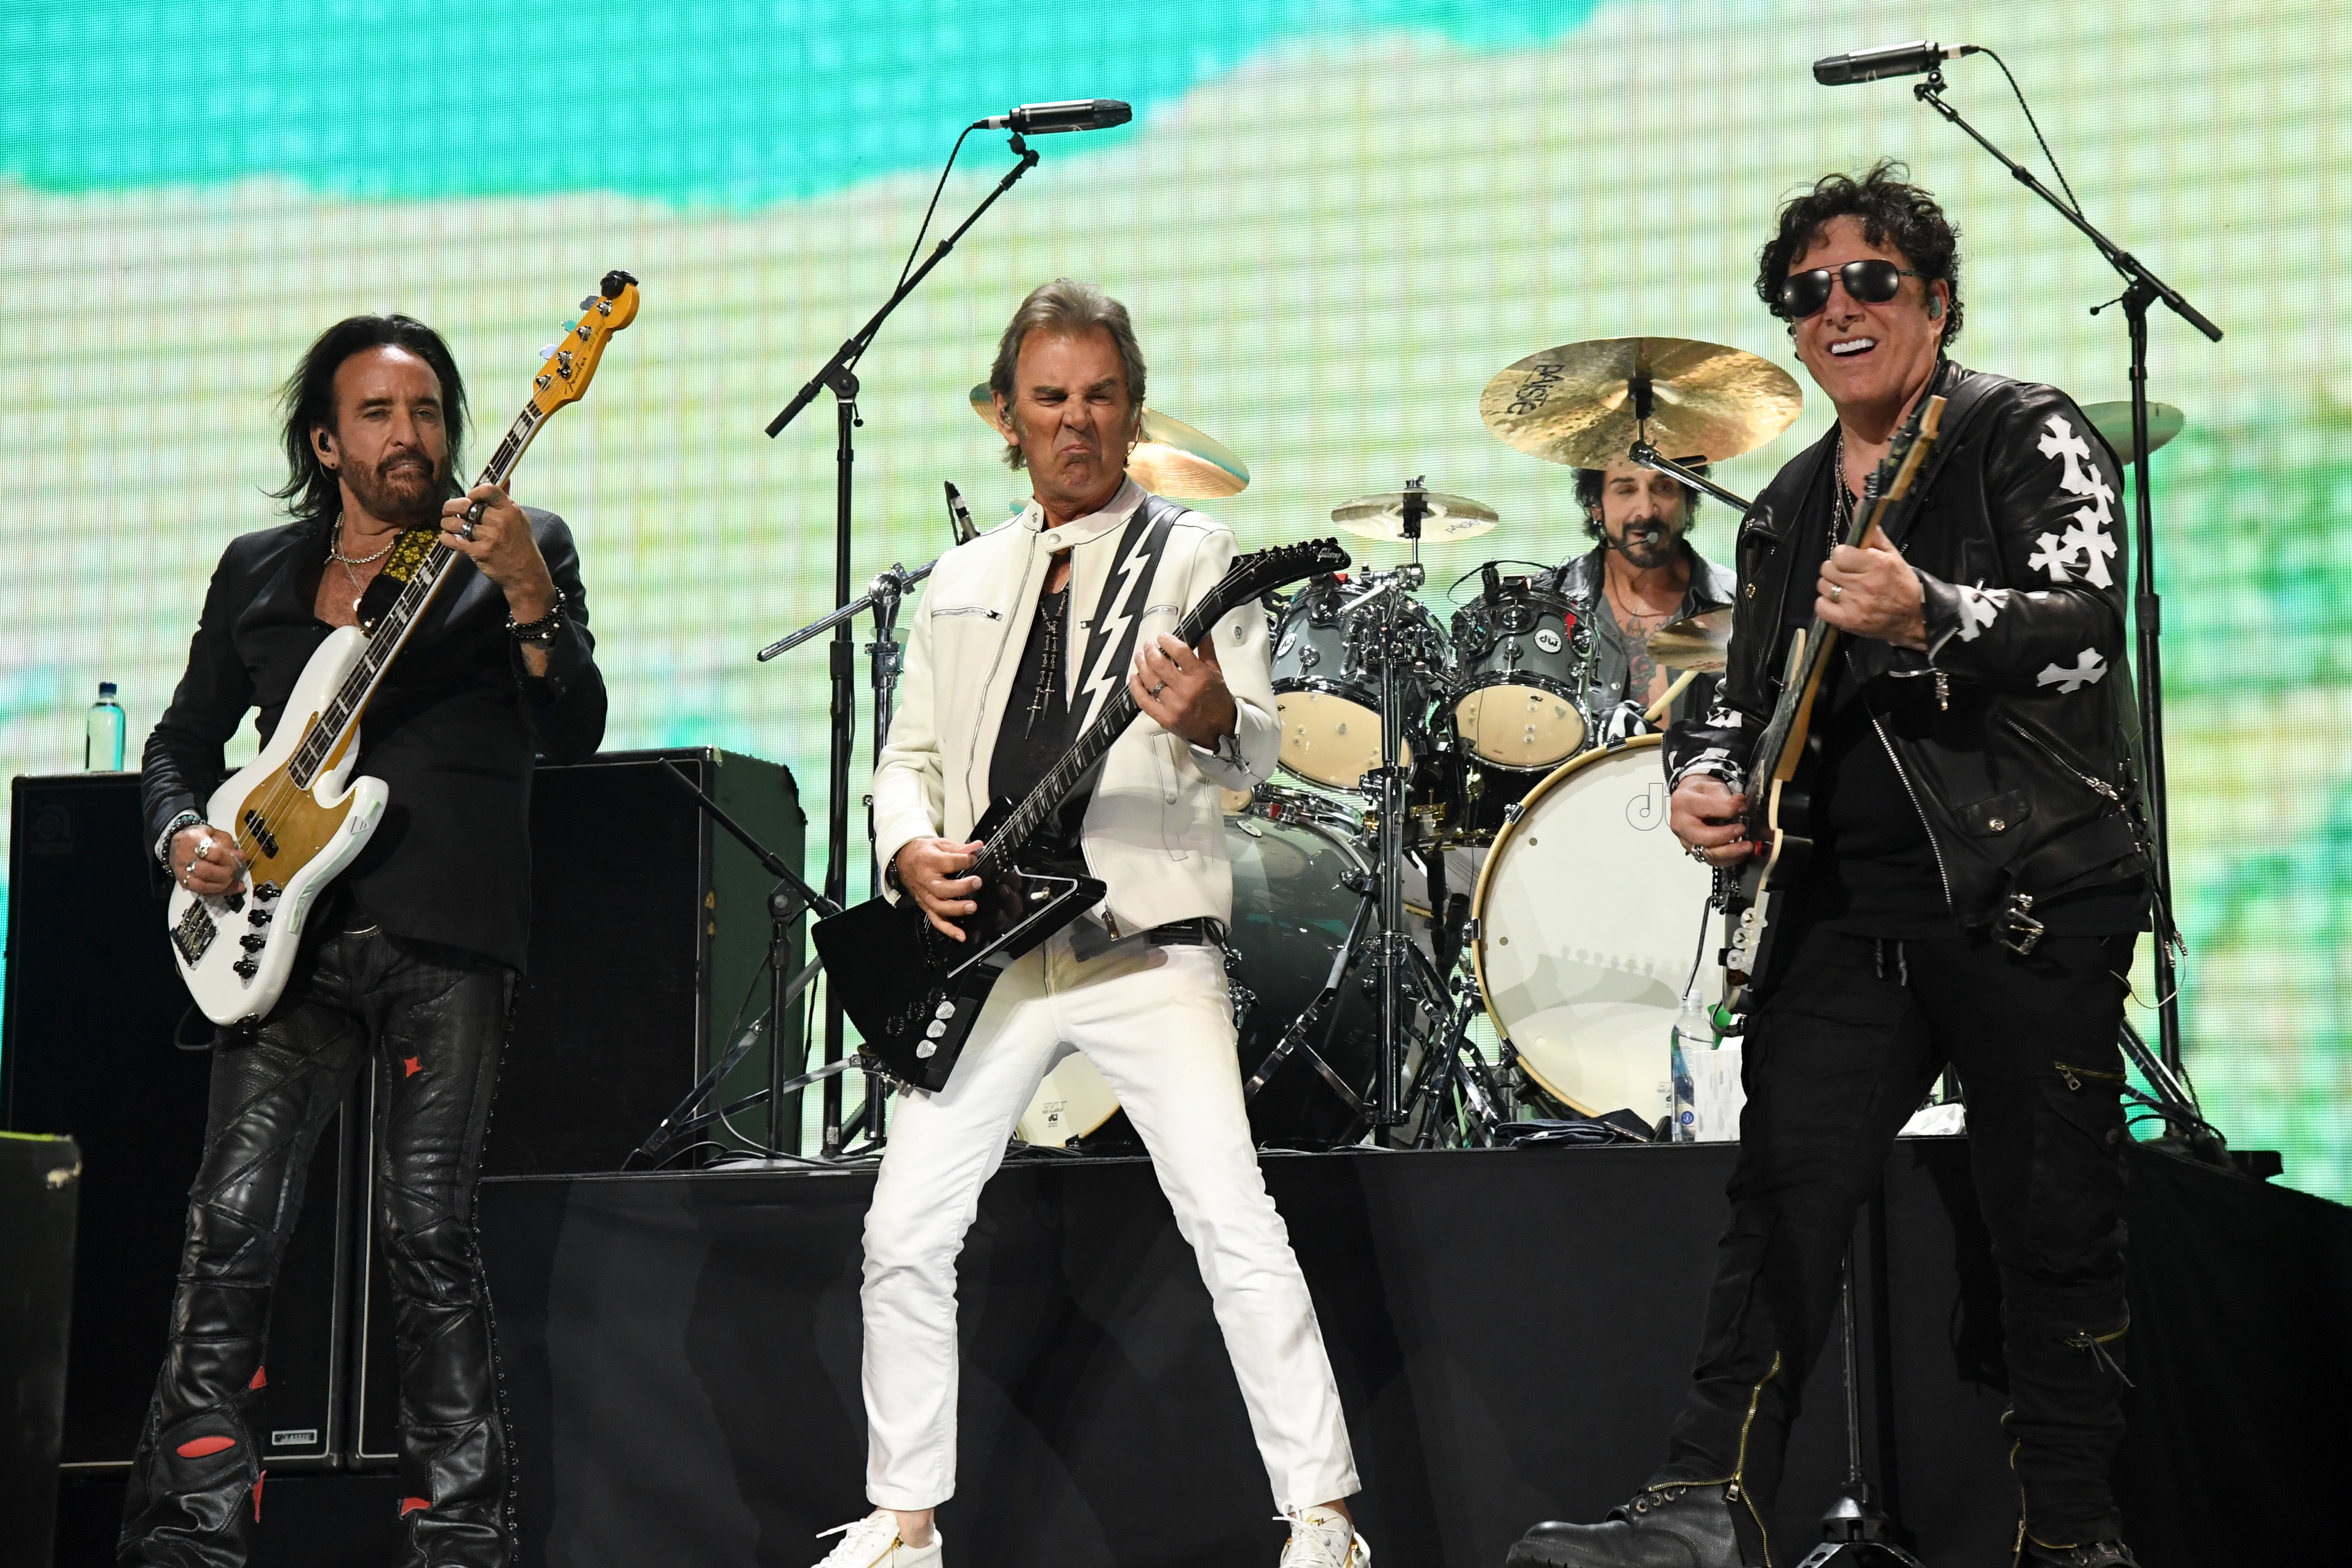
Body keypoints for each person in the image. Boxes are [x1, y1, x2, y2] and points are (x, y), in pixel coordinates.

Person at [1506, 164, 2150, 1568]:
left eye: (1868, 279)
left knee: (2045, 1222)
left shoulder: (2016, 430)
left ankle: (2071, 1531)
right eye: (1807, 290)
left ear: (1931, 298)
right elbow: (1744, 692)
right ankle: (1701, 1503)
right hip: (1839, 907)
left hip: (2021, 889)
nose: (1836, 305)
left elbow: (2085, 622)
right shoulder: (1784, 503)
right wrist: (1706, 776)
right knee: (1780, 1199)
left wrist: (1930, 606)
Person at [814, 278, 1367, 1568]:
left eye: (1102, 397)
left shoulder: (1195, 558)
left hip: (1143, 934)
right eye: (1051, 398)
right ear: (1006, 418)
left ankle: (1324, 1517)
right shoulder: (960, 575)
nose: (1077, 420)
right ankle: (905, 1520)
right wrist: (909, 848)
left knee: (1229, 1215)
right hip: (992, 955)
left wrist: (1209, 721)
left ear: (1133, 412)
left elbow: (1257, 746)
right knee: (904, 1229)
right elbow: (904, 761)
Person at [127, 314, 605, 1568]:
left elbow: (576, 729)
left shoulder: (518, 546)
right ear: (328, 441)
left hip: (444, 935)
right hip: (276, 936)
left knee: (427, 1235)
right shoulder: (262, 571)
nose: (412, 436)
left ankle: (459, 1538)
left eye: (431, 412)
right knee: (228, 1225)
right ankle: (191, 1530)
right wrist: (185, 839)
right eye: (382, 416)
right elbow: (181, 744)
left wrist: (526, 592)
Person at [1535, 457, 1735, 734]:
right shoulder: (1544, 608)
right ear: (1596, 505)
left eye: (1664, 487)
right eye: (1626, 490)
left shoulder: (1742, 607)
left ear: (1689, 501)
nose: (1646, 510)